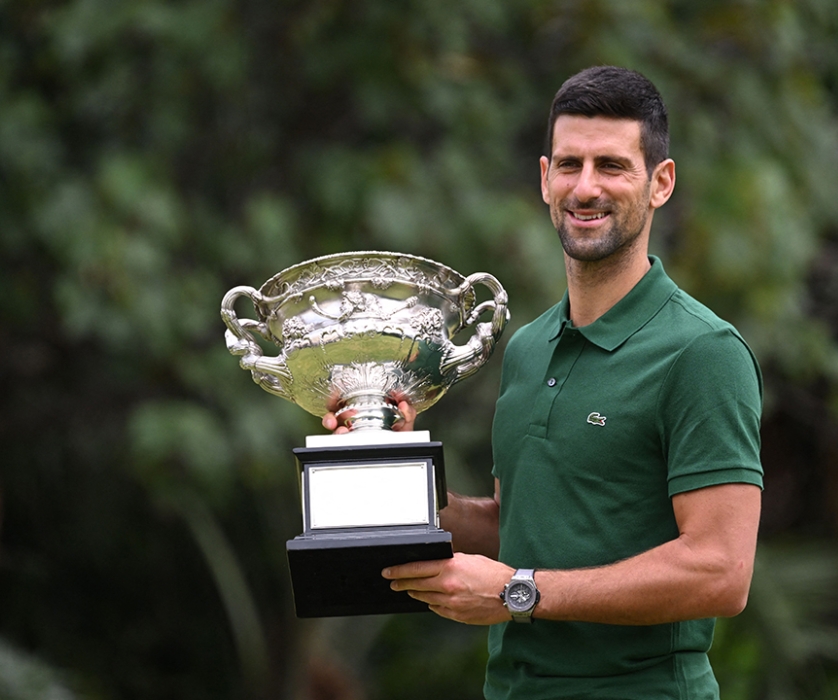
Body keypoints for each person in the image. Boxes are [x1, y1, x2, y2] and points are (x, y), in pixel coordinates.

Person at [324, 65, 763, 700]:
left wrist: (515, 591)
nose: (586, 188)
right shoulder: (529, 348)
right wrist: (386, 462)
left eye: (612, 166)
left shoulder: (702, 351)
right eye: (569, 164)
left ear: (660, 183)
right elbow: (521, 525)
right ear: (544, 179)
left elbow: (722, 573)